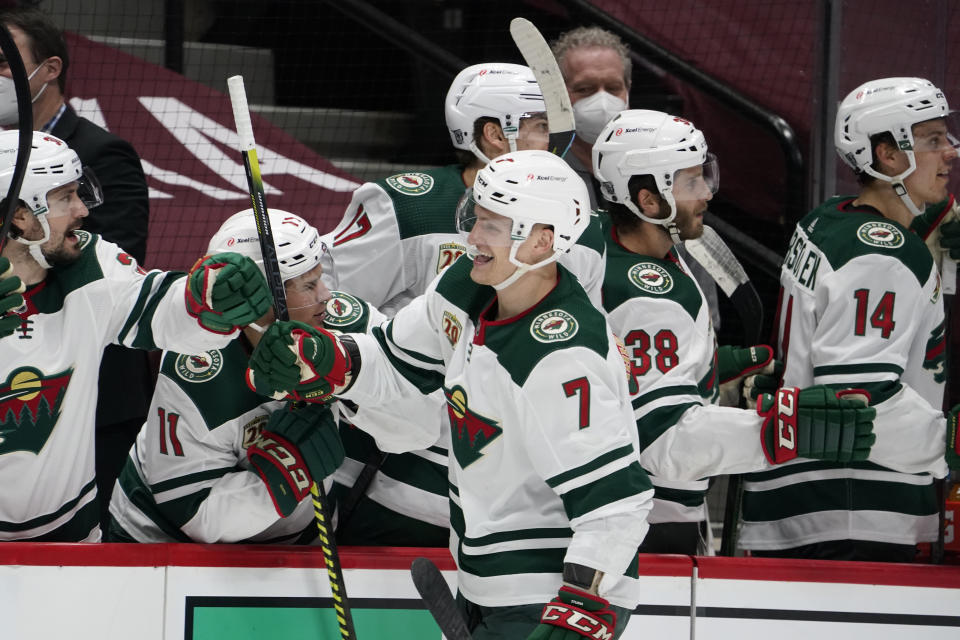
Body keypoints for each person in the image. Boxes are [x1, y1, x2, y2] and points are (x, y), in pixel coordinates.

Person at [250, 150, 652, 640]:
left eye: (492, 227)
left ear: (542, 240)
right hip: (482, 582)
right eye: (476, 218)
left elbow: (617, 500)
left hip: (548, 595)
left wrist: (584, 605)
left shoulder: (563, 355)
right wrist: (328, 360)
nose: (472, 238)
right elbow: (394, 361)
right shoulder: (467, 287)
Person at [318, 62, 607, 547]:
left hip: (516, 499)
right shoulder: (407, 205)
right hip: (394, 480)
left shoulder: (582, 225)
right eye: (540, 126)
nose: (555, 142)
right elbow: (323, 302)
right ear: (495, 134)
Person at [592, 109, 880, 555]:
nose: (706, 191)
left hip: (615, 514)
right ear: (649, 201)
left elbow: (621, 372)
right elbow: (663, 439)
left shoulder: (606, 239)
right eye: (690, 182)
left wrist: (704, 371)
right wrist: (778, 431)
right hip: (647, 525)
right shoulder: (649, 293)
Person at [0, 130, 272, 542]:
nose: (81, 210)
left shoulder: (91, 263)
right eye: (64, 198)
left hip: (71, 542)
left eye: (79, 193)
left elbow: (164, 310)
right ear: (20, 215)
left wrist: (208, 299)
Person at [741, 77, 960, 561]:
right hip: (856, 508)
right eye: (932, 140)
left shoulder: (828, 219)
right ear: (887, 154)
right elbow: (856, 399)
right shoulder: (883, 256)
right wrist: (948, 443)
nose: (950, 152)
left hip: (808, 501)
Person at [0, 6, 153, 533]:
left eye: (3, 64)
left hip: (93, 405)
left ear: (49, 70)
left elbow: (114, 259)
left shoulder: (104, 152)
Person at [107, 210, 346, 543]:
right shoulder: (196, 373)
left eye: (321, 278)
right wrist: (286, 476)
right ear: (260, 299)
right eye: (309, 285)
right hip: (163, 545)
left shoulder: (338, 326)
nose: (326, 297)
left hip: (298, 537)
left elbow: (411, 416)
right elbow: (194, 512)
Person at [552, 26, 722, 331]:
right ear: (558, 95)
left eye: (613, 87)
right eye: (585, 89)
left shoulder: (669, 171)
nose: (602, 101)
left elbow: (704, 308)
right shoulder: (544, 180)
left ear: (628, 89)